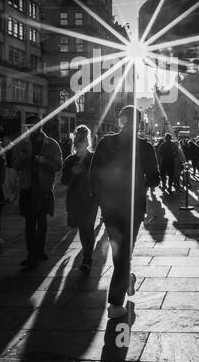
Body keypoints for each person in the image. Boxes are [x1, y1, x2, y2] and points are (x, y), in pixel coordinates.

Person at [89, 106, 159, 318]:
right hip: (133, 206)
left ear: (121, 121)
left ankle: (126, 280)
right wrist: (141, 183)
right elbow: (155, 178)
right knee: (124, 250)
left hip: (110, 206)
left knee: (120, 250)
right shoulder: (145, 147)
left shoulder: (105, 143)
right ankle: (115, 303)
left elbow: (93, 175)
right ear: (139, 123)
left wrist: (100, 199)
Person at [13, 125, 62, 268]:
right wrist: (22, 158)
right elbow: (15, 165)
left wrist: (44, 161)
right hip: (27, 189)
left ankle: (39, 250)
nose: (29, 132)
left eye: (31, 129)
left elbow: (58, 165)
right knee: (29, 224)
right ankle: (31, 254)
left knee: (42, 223)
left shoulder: (51, 144)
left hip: (43, 189)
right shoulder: (22, 144)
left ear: (39, 129)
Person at [60, 125, 99, 275]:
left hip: (90, 199)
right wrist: (72, 173)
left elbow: (99, 177)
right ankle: (86, 256)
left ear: (87, 143)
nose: (77, 147)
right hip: (75, 199)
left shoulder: (92, 158)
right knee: (80, 228)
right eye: (75, 144)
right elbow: (64, 180)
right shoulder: (70, 159)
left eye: (80, 144)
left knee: (86, 229)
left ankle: (87, 259)